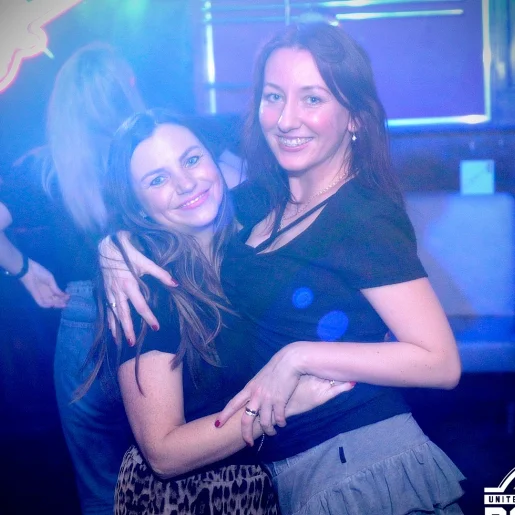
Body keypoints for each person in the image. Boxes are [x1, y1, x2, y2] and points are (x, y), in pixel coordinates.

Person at [101, 23, 465, 515]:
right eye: (274, 96)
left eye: (312, 98)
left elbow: (440, 363)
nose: (287, 119)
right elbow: (185, 210)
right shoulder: (263, 200)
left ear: (355, 118)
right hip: (294, 479)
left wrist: (297, 358)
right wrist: (114, 245)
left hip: (362, 467)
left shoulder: (361, 216)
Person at [86, 108, 354, 514]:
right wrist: (286, 400)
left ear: (215, 161)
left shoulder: (252, 223)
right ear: (137, 206)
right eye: (157, 180)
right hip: (188, 500)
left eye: (192, 159)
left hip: (275, 483)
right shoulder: (148, 291)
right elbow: (163, 452)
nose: (185, 183)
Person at [0, 42, 145, 514]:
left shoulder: (45, 168)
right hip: (154, 310)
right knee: (177, 474)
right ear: (124, 89)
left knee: (102, 487)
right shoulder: (151, 154)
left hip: (83, 324)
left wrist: (23, 269)